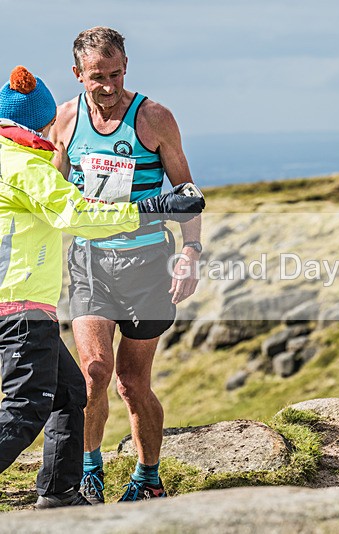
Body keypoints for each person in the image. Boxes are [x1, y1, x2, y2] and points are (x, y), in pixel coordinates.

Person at [0, 66, 204, 509]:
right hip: (51, 287)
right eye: (97, 75)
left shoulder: (152, 118)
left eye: (116, 72)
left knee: (101, 388)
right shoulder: (45, 147)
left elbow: (184, 186)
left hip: (137, 269)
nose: (108, 84)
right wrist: (150, 207)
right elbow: (70, 211)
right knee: (57, 393)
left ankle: (83, 487)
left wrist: (191, 249)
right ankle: (82, 479)